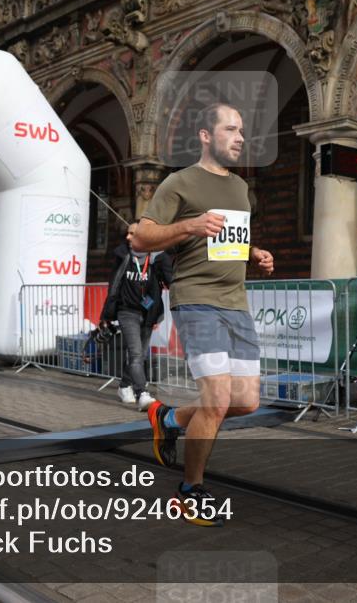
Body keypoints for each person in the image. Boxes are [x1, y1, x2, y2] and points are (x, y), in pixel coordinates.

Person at [132, 102, 274, 527]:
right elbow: (141, 236)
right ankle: (189, 490)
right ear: (206, 136)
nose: (240, 137)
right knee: (216, 399)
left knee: (246, 402)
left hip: (237, 301)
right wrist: (189, 226)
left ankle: (169, 418)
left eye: (242, 131)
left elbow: (229, 241)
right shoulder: (180, 183)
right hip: (196, 300)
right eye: (230, 129)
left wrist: (254, 254)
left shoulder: (241, 189)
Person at [100, 220, 173, 411]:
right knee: (135, 353)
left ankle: (124, 386)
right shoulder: (123, 255)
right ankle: (143, 393)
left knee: (139, 354)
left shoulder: (158, 257)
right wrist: (107, 314)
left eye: (132, 234)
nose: (127, 237)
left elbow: (170, 281)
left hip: (148, 313)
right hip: (127, 312)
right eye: (128, 233)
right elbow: (113, 284)